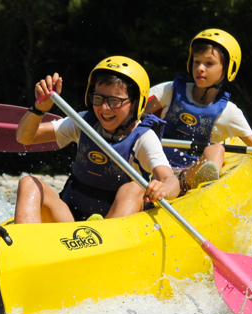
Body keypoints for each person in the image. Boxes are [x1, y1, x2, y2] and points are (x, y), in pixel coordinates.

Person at [13, 56, 180, 224]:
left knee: (134, 188)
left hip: (111, 225)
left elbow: (170, 180)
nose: (104, 108)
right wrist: (38, 109)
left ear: (136, 103)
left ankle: (111, 245)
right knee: (29, 183)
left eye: (115, 101)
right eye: (99, 98)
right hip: (70, 218)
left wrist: (163, 188)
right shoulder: (84, 122)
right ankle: (23, 244)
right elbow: (25, 138)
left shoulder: (143, 138)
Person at [143, 29, 252, 193]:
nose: (200, 68)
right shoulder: (169, 91)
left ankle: (194, 185)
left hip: (186, 174)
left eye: (209, 63)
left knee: (216, 149)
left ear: (227, 68)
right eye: (196, 61)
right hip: (154, 168)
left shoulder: (229, 113)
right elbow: (132, 116)